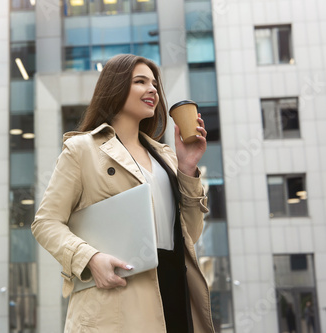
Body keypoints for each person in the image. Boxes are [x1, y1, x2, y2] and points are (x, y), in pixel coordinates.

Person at [31, 54, 214, 332]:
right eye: (140, 81)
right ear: (115, 88)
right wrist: (90, 258)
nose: (152, 89)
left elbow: (190, 234)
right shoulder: (83, 149)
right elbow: (46, 223)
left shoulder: (167, 158)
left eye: (154, 84)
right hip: (118, 295)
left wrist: (187, 167)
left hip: (174, 288)